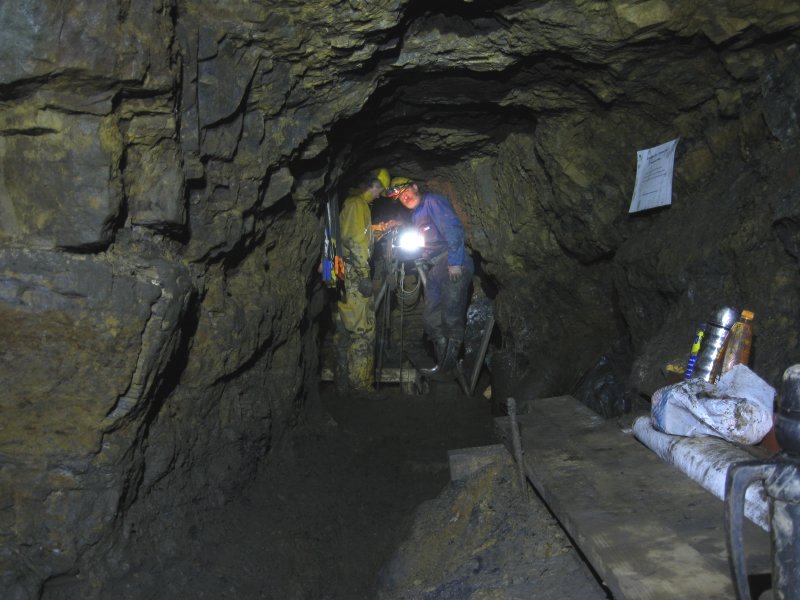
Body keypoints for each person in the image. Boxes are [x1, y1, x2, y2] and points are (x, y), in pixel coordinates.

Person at [386, 177, 474, 382]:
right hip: (435, 268)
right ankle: (444, 363)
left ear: (416, 186)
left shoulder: (432, 202)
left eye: (406, 191)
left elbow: (453, 228)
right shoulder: (417, 214)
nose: (405, 197)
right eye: (400, 197)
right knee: (431, 319)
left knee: (451, 314)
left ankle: (449, 365)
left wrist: (454, 261)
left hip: (451, 262)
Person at [334, 168, 391, 393]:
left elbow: (357, 234)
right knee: (363, 330)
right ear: (374, 185)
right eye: (380, 190)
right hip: (354, 275)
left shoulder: (353, 204)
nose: (379, 195)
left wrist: (378, 230)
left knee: (345, 330)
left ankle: (343, 384)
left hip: (344, 274)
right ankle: (361, 386)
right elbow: (357, 242)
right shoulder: (357, 205)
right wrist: (364, 276)